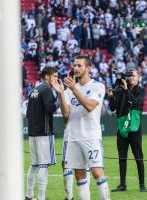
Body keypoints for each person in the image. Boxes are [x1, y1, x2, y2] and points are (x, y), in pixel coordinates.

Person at [52, 55, 110, 200]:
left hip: (91, 136)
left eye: (79, 65)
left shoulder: (97, 86)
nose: (75, 68)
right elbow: (66, 115)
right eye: (74, 65)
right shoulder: (69, 90)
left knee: (97, 172)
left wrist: (74, 89)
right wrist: (61, 94)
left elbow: (90, 106)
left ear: (88, 68)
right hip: (73, 136)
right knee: (79, 174)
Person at [107, 68, 147, 192]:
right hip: (122, 128)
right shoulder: (119, 90)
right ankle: (122, 185)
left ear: (138, 77)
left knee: (138, 157)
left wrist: (125, 90)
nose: (130, 78)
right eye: (129, 75)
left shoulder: (141, 90)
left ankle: (142, 185)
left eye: (133, 75)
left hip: (135, 129)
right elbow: (113, 108)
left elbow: (136, 103)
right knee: (122, 158)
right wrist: (111, 97)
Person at [25, 67, 59, 200]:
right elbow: (50, 108)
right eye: (54, 76)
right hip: (44, 134)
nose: (56, 78)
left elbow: (28, 113)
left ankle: (29, 195)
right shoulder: (47, 90)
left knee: (33, 165)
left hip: (33, 133)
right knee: (44, 166)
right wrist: (59, 100)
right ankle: (41, 197)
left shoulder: (35, 90)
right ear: (47, 77)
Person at [61, 71, 91, 200]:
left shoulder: (67, 92)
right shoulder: (87, 90)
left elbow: (66, 117)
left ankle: (69, 197)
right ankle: (83, 195)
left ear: (73, 77)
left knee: (67, 164)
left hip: (71, 133)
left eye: (69, 76)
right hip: (87, 133)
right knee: (86, 166)